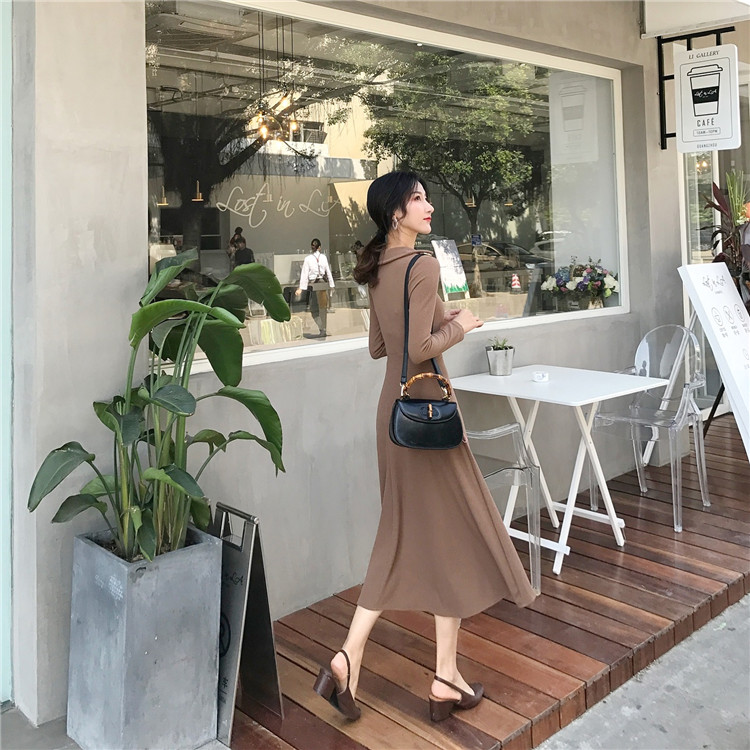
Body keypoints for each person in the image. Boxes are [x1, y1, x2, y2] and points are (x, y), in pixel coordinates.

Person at [312, 171, 537, 723]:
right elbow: (417, 349)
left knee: (436, 536)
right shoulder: (423, 265)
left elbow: (379, 346)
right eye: (417, 198)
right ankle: (354, 657)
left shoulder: (378, 266)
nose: (428, 205)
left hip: (394, 413)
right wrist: (463, 327)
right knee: (427, 533)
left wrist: (442, 317)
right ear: (396, 212)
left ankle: (441, 675)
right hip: (427, 413)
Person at [295, 238, 335, 338]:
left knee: (314, 309)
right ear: (319, 247)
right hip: (323, 284)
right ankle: (323, 329)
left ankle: (322, 329)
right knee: (323, 308)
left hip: (314, 284)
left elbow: (304, 274)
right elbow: (328, 272)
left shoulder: (308, 259)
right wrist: (331, 285)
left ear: (311, 247)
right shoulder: (324, 257)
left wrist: (301, 288)